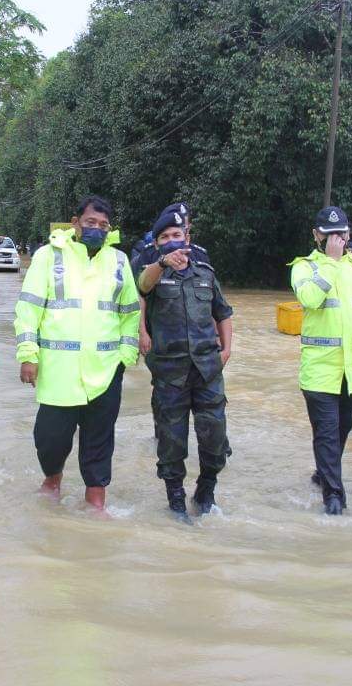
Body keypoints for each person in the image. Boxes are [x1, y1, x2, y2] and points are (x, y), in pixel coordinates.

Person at [14, 195, 141, 514]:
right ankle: (52, 479)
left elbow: (129, 311)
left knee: (100, 438)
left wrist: (127, 353)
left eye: (103, 225)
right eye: (90, 223)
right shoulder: (48, 256)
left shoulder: (118, 261)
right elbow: (28, 307)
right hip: (59, 370)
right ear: (75, 223)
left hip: (106, 367)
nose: (97, 229)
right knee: (50, 437)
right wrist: (28, 353)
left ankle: (96, 501)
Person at [290, 206, 352, 515]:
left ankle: (324, 473)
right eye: (331, 234)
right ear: (317, 235)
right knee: (327, 433)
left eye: (342, 234)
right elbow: (309, 299)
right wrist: (332, 263)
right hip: (320, 373)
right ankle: (334, 499)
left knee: (341, 432)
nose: (338, 240)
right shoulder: (304, 267)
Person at [135, 208, 234, 517]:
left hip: (207, 370)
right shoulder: (153, 273)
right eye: (164, 237)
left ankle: (206, 491)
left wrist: (227, 350)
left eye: (176, 235)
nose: (171, 241)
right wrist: (162, 262)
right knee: (171, 440)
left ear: (187, 238)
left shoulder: (205, 273)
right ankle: (176, 499)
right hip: (169, 372)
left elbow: (224, 313)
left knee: (215, 436)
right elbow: (140, 287)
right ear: (156, 244)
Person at [131, 202, 213, 437]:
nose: (180, 231)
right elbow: (139, 294)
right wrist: (142, 333)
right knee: (164, 387)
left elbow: (211, 298)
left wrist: (217, 338)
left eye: (184, 225)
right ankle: (163, 433)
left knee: (206, 391)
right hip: (160, 335)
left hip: (196, 339)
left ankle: (215, 441)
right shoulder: (148, 252)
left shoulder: (199, 253)